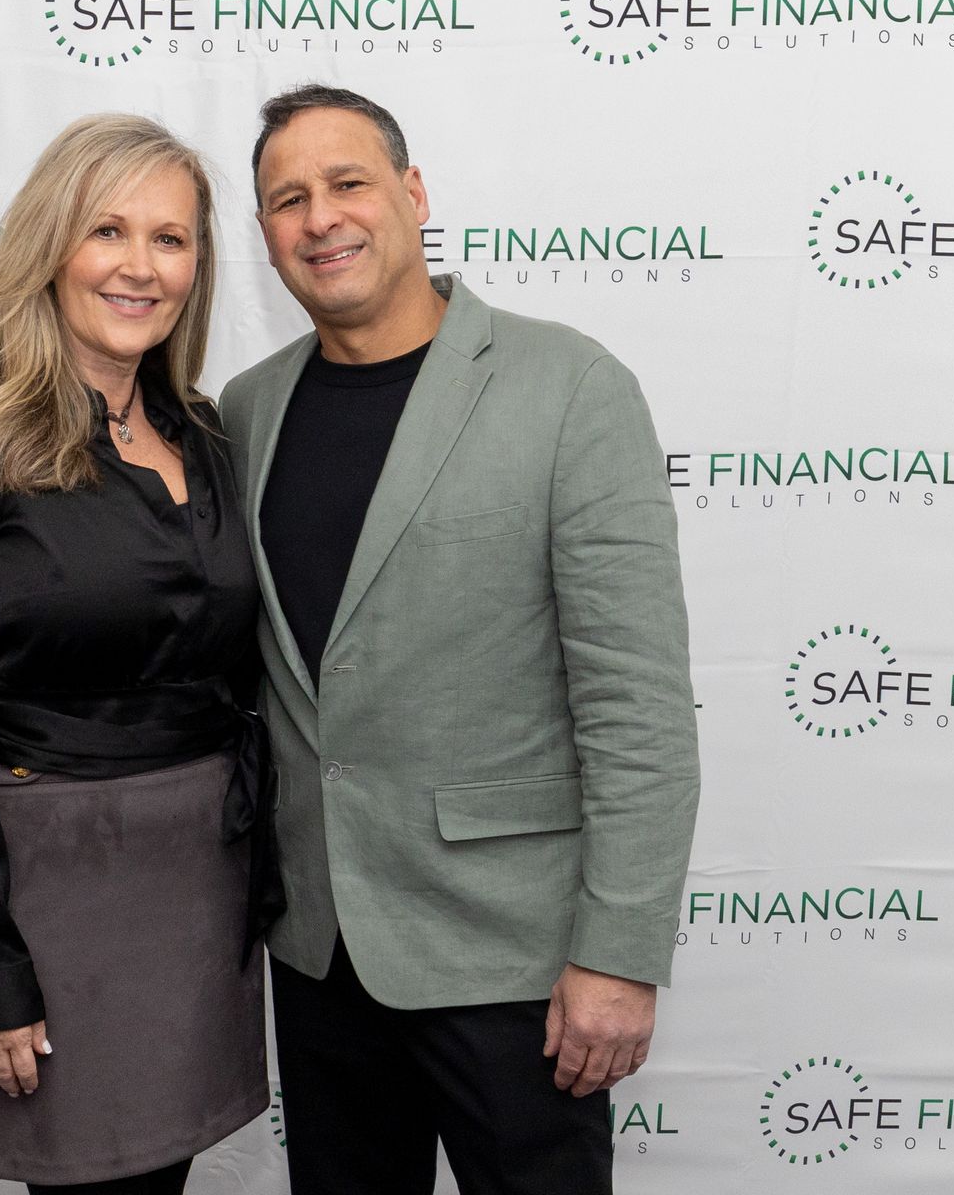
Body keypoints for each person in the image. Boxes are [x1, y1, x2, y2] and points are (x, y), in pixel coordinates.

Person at [219, 85, 700, 1194]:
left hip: (517, 961)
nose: (320, 217)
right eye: (288, 199)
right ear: (265, 239)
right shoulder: (245, 409)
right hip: (323, 950)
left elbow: (637, 707)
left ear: (413, 192)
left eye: (348, 182)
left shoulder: (570, 386)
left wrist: (617, 954)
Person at [0, 113, 280, 1195]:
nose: (142, 266)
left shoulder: (208, 434)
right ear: (52, 244)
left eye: (172, 238)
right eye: (109, 230)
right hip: (55, 894)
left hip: (205, 883)